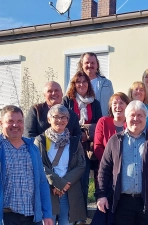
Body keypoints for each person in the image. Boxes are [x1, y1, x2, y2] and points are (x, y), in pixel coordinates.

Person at [0, 105, 53, 225]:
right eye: (10, 121)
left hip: (33, 218)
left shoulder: (32, 149)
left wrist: (47, 214)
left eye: (19, 121)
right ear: (1, 123)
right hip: (3, 218)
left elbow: (42, 183)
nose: (15, 125)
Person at [95, 100, 148, 225]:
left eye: (140, 115)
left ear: (146, 118)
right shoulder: (115, 140)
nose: (136, 118)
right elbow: (104, 169)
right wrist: (101, 194)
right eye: (132, 115)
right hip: (121, 202)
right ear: (126, 117)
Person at [34, 104, 86, 225]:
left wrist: (64, 184)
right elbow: (38, 165)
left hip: (68, 192)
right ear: (49, 119)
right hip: (48, 191)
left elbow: (81, 165)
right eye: (56, 117)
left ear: (67, 120)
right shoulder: (40, 141)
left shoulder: (74, 142)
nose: (60, 120)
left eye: (63, 117)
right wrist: (57, 183)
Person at [63, 71, 102, 221]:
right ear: (74, 84)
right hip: (69, 148)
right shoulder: (67, 101)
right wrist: (81, 132)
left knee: (84, 182)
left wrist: (85, 132)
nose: (81, 84)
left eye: (84, 81)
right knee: (68, 182)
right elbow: (63, 123)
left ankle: (82, 218)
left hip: (87, 149)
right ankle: (68, 216)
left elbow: (98, 126)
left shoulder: (95, 103)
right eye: (78, 82)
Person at [91, 92, 130, 225]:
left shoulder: (131, 124)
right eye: (115, 103)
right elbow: (97, 146)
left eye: (121, 103)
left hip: (126, 174)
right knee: (104, 210)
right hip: (106, 172)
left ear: (127, 106)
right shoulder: (103, 121)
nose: (118, 106)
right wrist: (112, 163)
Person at [77, 52, 114, 116]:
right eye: (87, 63)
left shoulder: (107, 83)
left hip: (103, 122)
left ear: (97, 65)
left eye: (92, 63)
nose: (90, 65)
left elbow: (112, 104)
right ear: (82, 65)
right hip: (81, 124)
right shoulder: (74, 83)